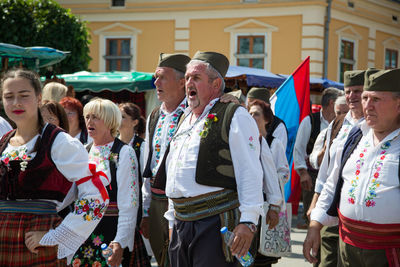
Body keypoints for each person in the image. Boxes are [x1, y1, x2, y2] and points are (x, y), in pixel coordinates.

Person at [162, 51, 264, 267]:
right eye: (187, 77)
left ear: (216, 83)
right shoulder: (184, 119)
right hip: (181, 224)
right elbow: (175, 171)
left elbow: (250, 170)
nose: (188, 83)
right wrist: (172, 220)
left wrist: (248, 221)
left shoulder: (235, 115)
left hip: (215, 223)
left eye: (196, 78)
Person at [0, 69, 109, 266]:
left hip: (37, 244)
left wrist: (57, 236)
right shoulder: (3, 143)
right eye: (9, 96)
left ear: (39, 98)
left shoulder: (58, 141)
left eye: (24, 96)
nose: (16, 102)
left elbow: (97, 196)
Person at [303, 68, 400, 267]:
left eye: (376, 99)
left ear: (398, 104)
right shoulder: (356, 136)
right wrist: (315, 225)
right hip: (347, 246)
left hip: (389, 253)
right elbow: (332, 183)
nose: (367, 106)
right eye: (365, 98)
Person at [305, 71, 365, 267]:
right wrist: (315, 202)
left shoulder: (377, 126)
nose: (351, 96)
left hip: (358, 219)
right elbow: (327, 172)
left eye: (358, 91)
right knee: (326, 262)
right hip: (331, 211)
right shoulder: (337, 124)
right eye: (348, 91)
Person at [72, 98, 139, 267]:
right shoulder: (83, 151)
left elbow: (129, 203)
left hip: (110, 232)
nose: (89, 121)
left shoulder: (124, 152)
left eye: (95, 117)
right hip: (82, 233)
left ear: (110, 121)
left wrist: (120, 241)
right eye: (87, 117)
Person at [140, 53, 190, 267]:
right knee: (161, 259)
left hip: (183, 204)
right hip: (157, 203)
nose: (156, 82)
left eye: (162, 77)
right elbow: (148, 166)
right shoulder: (154, 115)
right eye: (155, 77)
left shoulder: (193, 113)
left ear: (181, 83)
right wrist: (146, 209)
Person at [293, 87, 343, 229]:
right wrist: (303, 173)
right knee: (313, 217)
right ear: (332, 103)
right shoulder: (310, 121)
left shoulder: (343, 123)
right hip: (313, 175)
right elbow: (299, 149)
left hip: (334, 174)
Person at [248, 99, 287, 267]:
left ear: (266, 119)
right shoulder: (245, 141)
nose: (252, 117)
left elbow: (283, 173)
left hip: (266, 202)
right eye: (249, 114)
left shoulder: (273, 142)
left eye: (256, 114)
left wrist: (274, 204)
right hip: (249, 202)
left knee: (261, 254)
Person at [118, 102, 151, 267]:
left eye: (123, 116)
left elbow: (146, 181)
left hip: (135, 206)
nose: (118, 119)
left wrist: (145, 212)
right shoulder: (113, 145)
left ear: (135, 122)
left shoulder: (141, 146)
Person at [309, 95, 349, 170]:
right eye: (339, 113)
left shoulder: (358, 132)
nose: (342, 116)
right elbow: (314, 161)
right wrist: (324, 150)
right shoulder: (326, 133)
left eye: (345, 113)